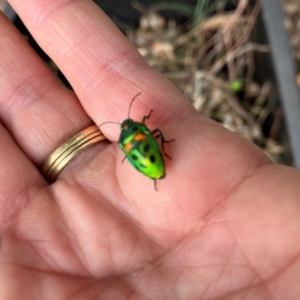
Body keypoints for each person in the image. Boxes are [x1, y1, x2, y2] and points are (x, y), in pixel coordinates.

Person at [1, 0, 300, 299]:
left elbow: (135, 150)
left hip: (149, 162)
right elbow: (148, 137)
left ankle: (155, 168)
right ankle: (157, 165)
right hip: (152, 156)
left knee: (148, 156)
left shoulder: (130, 139)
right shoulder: (141, 133)